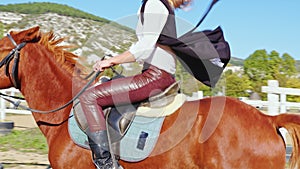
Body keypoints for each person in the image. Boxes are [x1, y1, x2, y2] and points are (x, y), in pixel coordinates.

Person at [79, 0, 192, 168]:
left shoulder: (154, 3)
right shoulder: (161, 5)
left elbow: (145, 47)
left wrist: (111, 61)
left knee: (89, 97)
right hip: (160, 75)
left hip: (154, 77)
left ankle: (106, 164)